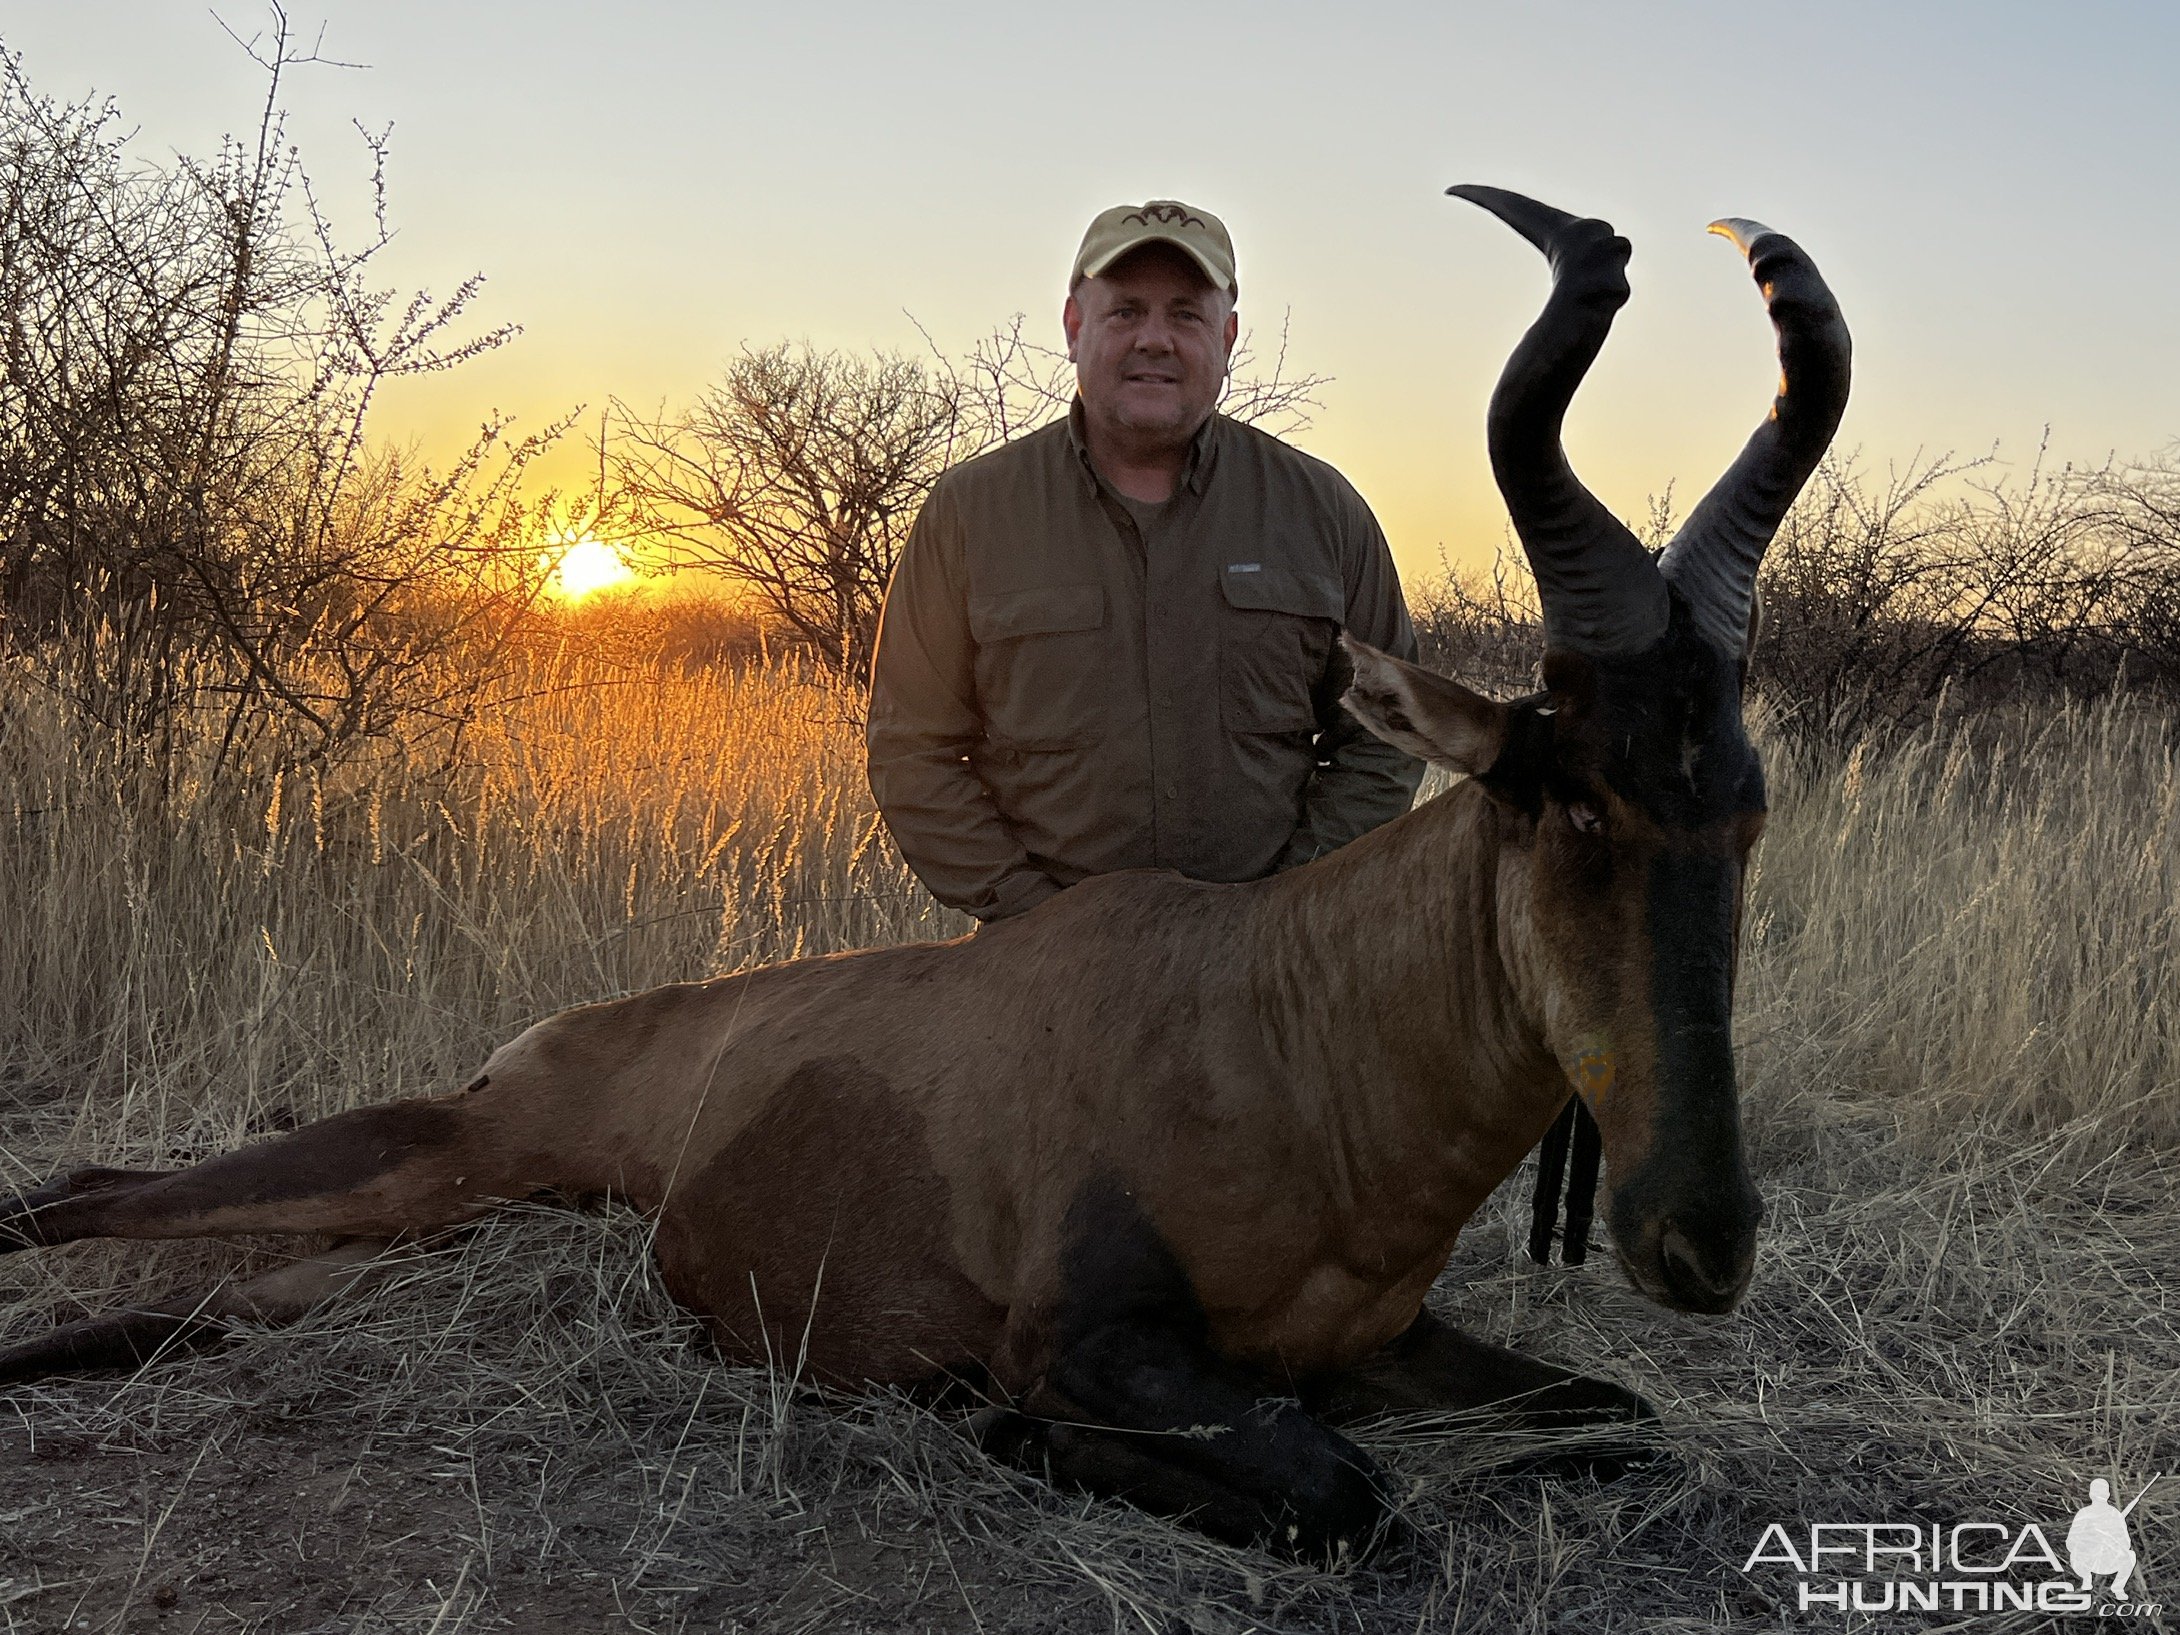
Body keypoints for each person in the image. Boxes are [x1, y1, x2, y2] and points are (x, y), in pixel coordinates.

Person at [866, 199, 1423, 923]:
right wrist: (1033, 920)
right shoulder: (970, 513)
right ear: (1074, 326)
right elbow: (913, 751)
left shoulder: (1323, 511)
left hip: (1271, 975)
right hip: (1038, 985)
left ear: (1227, 335)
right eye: (1125, 312)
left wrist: (1286, 911)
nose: (1154, 340)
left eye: (1185, 315)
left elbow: (1387, 738)